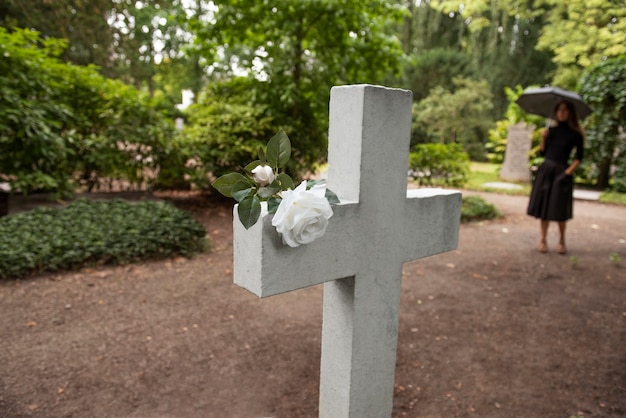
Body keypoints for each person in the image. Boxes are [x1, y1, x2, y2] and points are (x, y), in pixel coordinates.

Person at [527, 100, 584, 254]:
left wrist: (567, 173)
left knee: (559, 208)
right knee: (544, 206)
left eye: (565, 110)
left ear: (570, 113)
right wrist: (543, 138)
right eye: (559, 110)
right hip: (546, 170)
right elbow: (543, 153)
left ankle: (561, 240)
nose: (561, 113)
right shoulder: (551, 131)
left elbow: (579, 158)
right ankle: (543, 239)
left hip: (562, 172)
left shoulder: (576, 134)